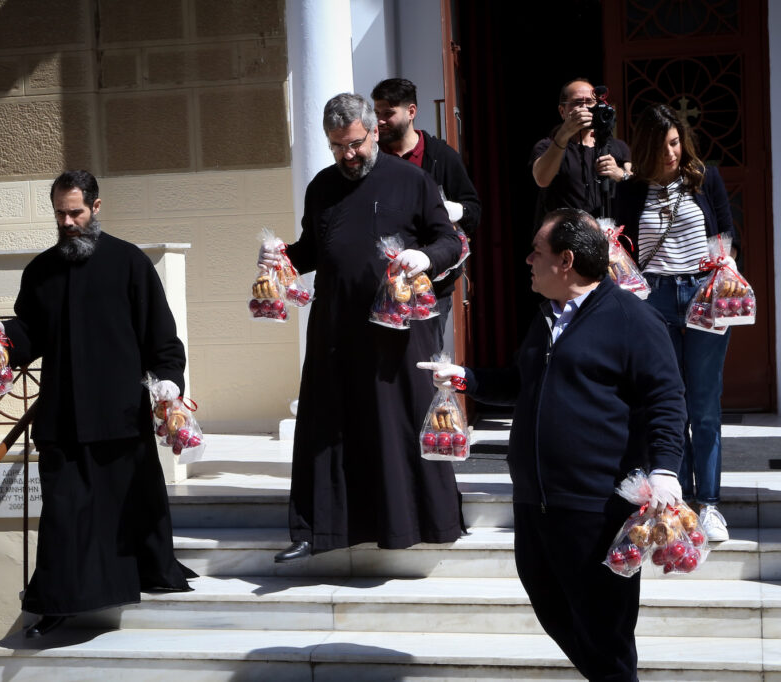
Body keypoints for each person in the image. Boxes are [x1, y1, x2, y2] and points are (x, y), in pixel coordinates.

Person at [420, 208, 686, 682]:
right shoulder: (547, 317)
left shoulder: (634, 319)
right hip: (535, 502)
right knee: (554, 610)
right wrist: (466, 379)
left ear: (566, 261)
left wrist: (665, 469)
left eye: (536, 253)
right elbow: (523, 382)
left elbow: (667, 399)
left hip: (596, 508)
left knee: (606, 633)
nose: (527, 261)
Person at [0, 170, 195, 638]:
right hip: (62, 416)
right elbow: (29, 333)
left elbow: (161, 338)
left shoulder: (129, 263)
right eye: (60, 213)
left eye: (75, 212)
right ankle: (58, 604)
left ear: (96, 208)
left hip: (119, 414)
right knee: (64, 515)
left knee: (127, 511)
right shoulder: (40, 270)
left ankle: (144, 575)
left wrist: (169, 382)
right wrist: (1, 339)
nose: (66, 221)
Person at [263, 93, 465, 563]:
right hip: (337, 329)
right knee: (328, 424)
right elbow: (314, 249)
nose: (347, 155)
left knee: (398, 425)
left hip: (399, 331)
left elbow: (448, 243)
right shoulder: (321, 187)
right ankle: (320, 529)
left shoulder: (413, 180)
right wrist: (280, 258)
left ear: (374, 131)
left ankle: (421, 524)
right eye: (337, 147)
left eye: (355, 143)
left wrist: (426, 257)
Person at [613, 104, 739, 542]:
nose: (671, 152)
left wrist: (725, 273)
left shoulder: (706, 178)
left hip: (704, 293)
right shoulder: (630, 191)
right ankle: (675, 503)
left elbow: (726, 236)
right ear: (645, 147)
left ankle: (710, 505)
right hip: (655, 299)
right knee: (667, 404)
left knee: (704, 405)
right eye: (662, 145)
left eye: (675, 142)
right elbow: (622, 252)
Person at [371, 77, 482, 345]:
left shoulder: (441, 156)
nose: (380, 121)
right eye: (376, 114)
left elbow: (473, 212)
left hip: (431, 283)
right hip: (381, 281)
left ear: (411, 112)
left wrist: (451, 210)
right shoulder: (372, 158)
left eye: (388, 113)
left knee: (425, 357)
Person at [530, 78, 632, 221]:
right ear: (562, 111)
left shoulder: (617, 147)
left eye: (590, 102)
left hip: (607, 235)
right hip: (566, 237)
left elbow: (636, 185)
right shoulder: (548, 146)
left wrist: (620, 174)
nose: (585, 108)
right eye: (577, 103)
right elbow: (542, 179)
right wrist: (564, 133)